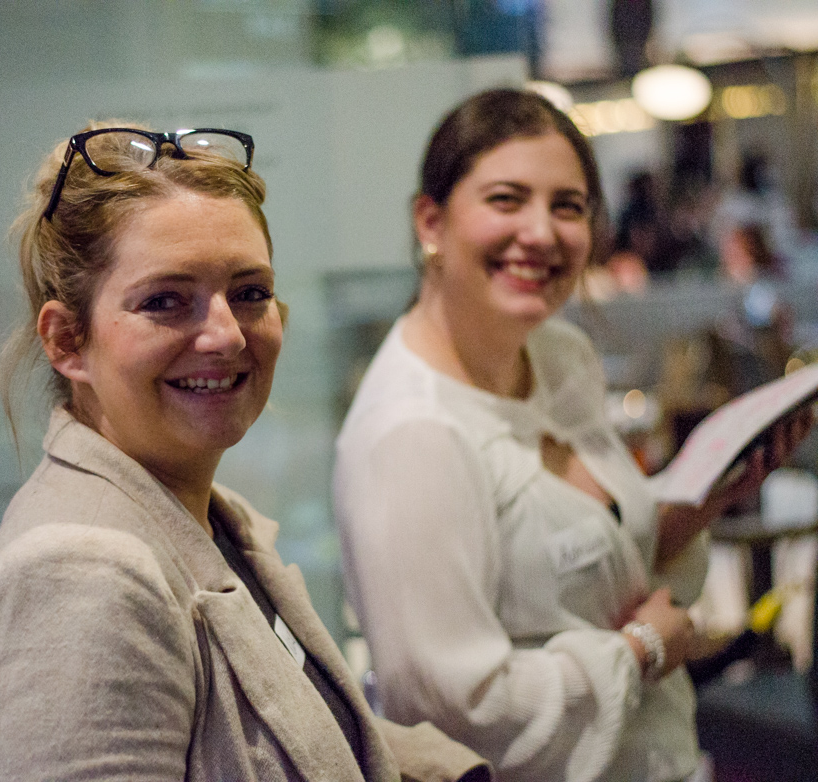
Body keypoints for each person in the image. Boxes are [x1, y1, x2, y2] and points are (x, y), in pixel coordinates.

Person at [0, 121, 491, 782]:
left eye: (249, 293)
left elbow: (312, 735)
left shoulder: (204, 520)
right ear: (65, 343)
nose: (226, 335)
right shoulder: (81, 575)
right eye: (166, 301)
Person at [332, 89, 813, 782]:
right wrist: (641, 650)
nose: (542, 231)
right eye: (506, 200)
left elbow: (568, 581)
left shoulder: (558, 357)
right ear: (429, 221)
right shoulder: (409, 435)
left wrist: (698, 502)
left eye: (567, 206)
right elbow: (448, 713)